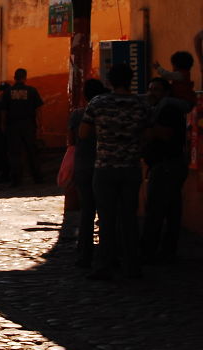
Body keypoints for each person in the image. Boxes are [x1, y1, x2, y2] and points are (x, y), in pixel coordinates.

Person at [79, 63, 151, 280]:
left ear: (110, 81)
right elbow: (148, 136)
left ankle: (104, 265)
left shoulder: (98, 103)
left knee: (107, 219)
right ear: (130, 80)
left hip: (105, 167)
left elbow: (83, 133)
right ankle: (132, 266)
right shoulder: (141, 105)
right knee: (129, 218)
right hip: (130, 166)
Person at [141, 77, 190, 264]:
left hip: (166, 165)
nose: (152, 93)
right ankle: (167, 250)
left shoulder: (167, 110)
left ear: (166, 93)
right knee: (170, 209)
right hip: (168, 164)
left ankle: (150, 250)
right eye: (150, 88)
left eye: (157, 89)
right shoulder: (162, 108)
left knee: (157, 209)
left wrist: (147, 127)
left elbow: (164, 134)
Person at [68, 78, 108, 267]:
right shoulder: (108, 114)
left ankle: (85, 253)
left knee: (87, 212)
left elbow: (71, 141)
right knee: (107, 212)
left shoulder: (77, 115)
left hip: (83, 166)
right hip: (105, 165)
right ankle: (108, 253)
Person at [2, 68, 45, 186]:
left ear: (14, 77)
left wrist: (3, 126)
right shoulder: (31, 91)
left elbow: (4, 111)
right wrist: (40, 126)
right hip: (28, 125)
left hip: (13, 125)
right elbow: (38, 109)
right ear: (25, 77)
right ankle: (37, 178)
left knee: (14, 153)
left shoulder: (8, 92)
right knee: (32, 152)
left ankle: (16, 179)